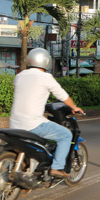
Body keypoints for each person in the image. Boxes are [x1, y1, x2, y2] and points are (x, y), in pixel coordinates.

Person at [10, 48, 84, 179]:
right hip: (32, 124)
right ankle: (56, 168)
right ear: (46, 62)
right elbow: (63, 96)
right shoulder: (46, 77)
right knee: (66, 135)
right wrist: (74, 107)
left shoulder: (19, 76)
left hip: (14, 124)